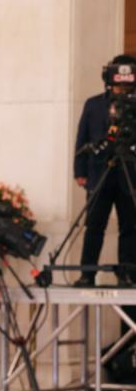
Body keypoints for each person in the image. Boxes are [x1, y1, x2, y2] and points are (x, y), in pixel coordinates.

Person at [74, 54, 136, 287]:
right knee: (94, 225)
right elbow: (82, 138)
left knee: (130, 225)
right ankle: (87, 273)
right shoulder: (94, 104)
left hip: (130, 173)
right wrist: (79, 170)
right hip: (99, 172)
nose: (122, 87)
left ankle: (128, 273)